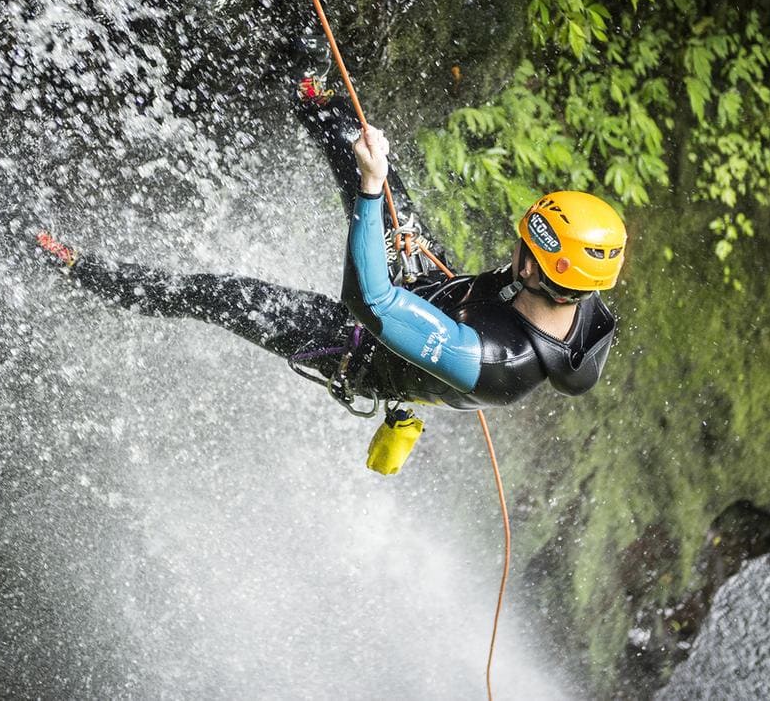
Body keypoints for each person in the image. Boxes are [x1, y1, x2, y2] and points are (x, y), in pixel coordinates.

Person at [35, 78, 626, 473]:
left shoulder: (492, 361)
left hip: (361, 344)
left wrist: (373, 191)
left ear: (549, 274)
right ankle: (302, 82)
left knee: (220, 296)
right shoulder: (570, 294)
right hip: (433, 287)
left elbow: (373, 301)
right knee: (350, 134)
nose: (516, 254)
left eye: (527, 251)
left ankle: (80, 266)